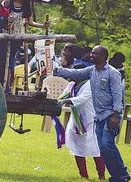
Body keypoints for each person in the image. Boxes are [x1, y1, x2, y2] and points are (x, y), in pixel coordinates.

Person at [54, 45, 129, 181]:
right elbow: (74, 74)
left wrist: (115, 114)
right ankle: (119, 175)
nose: (91, 56)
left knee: (106, 145)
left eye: (94, 54)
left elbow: (118, 95)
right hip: (98, 117)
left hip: (110, 116)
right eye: (92, 53)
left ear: (103, 56)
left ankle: (122, 174)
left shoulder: (112, 73)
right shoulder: (92, 71)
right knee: (104, 148)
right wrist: (56, 70)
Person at [58, 79, 106, 179]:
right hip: (76, 118)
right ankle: (84, 175)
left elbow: (82, 98)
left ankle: (101, 175)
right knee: (77, 147)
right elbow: (63, 96)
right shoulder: (72, 84)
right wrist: (55, 100)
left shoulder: (90, 84)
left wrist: (64, 101)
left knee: (95, 148)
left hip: (90, 119)